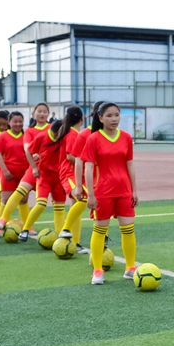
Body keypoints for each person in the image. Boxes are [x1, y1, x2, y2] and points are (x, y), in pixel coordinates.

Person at [82, 102, 138, 285]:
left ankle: (130, 268)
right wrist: (90, 194)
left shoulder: (127, 138)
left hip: (124, 191)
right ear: (100, 118)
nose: (114, 119)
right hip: (103, 192)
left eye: (116, 115)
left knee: (128, 230)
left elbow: (130, 164)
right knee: (100, 230)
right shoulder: (93, 139)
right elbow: (88, 168)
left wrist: (134, 190)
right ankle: (97, 270)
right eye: (109, 116)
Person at [58, 101, 104, 254]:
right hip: (71, 173)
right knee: (82, 199)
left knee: (84, 205)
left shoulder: (108, 134)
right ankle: (65, 230)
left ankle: (77, 242)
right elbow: (73, 158)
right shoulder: (81, 134)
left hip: (92, 176)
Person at [18, 119, 67, 242]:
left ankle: (60, 235)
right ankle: (25, 229)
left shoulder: (65, 138)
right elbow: (28, 150)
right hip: (44, 176)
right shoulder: (42, 137)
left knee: (60, 208)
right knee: (41, 204)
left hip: (59, 178)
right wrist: (34, 167)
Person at [0, 111, 30, 236]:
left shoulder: (26, 136)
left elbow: (31, 152)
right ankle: (0, 227)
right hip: (8, 173)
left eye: (20, 121)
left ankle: (28, 227)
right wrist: (5, 170)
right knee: (6, 200)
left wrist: (28, 169)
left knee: (23, 200)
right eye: (15, 121)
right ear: (9, 122)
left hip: (24, 173)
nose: (18, 124)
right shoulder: (2, 136)